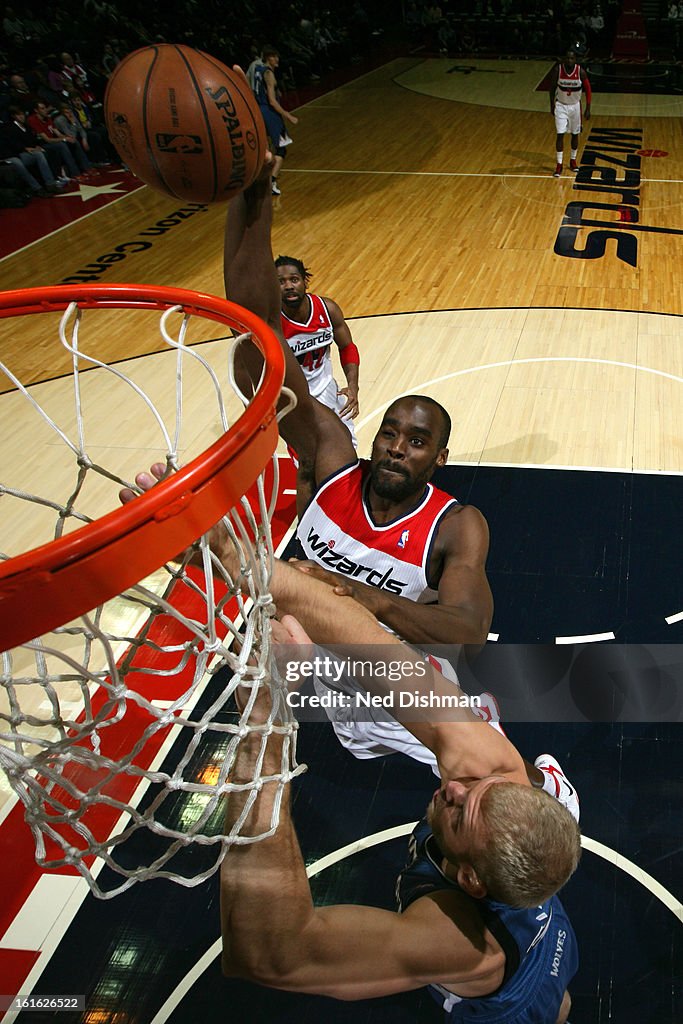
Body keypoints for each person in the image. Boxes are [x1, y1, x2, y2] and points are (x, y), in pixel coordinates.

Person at [223, 152, 580, 820]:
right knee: (259, 713)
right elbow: (255, 341)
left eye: (415, 441)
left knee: (498, 788)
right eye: (390, 431)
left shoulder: (455, 524)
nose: (394, 447)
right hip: (309, 662)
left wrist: (355, 598)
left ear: (437, 458)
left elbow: (467, 630)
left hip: (391, 681)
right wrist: (250, 205)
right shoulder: (330, 461)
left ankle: (545, 783)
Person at [214, 555, 581, 1023]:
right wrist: (235, 555)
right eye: (478, 789)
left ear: (470, 879)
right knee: (562, 999)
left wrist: (265, 719)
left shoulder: (459, 943)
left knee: (549, 1007)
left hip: (507, 1006)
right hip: (549, 931)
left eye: (460, 813)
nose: (454, 789)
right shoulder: (492, 774)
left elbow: (271, 954)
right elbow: (376, 651)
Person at [275, 253, 360, 448]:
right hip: (294, 399)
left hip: (327, 389)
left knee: (349, 446)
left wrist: (353, 386)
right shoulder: (273, 323)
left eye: (294, 279)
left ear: (305, 282)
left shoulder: (327, 309)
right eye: (281, 282)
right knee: (309, 457)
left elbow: (347, 347)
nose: (288, 286)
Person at [251, 46, 298, 195]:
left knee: (265, 149)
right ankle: (271, 182)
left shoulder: (256, 69)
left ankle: (259, 179)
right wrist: (288, 115)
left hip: (258, 111)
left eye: (277, 56)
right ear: (267, 58)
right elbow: (272, 101)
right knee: (281, 149)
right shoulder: (269, 74)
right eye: (273, 56)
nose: (276, 59)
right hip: (270, 113)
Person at [548, 48, 591, 177]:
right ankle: (559, 164)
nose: (569, 60)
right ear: (564, 59)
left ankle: (573, 160)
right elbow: (551, 88)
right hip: (561, 105)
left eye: (572, 58)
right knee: (560, 134)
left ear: (575, 59)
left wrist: (588, 108)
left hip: (575, 107)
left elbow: (588, 90)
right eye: (567, 58)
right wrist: (551, 105)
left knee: (574, 134)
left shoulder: (580, 72)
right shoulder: (558, 70)